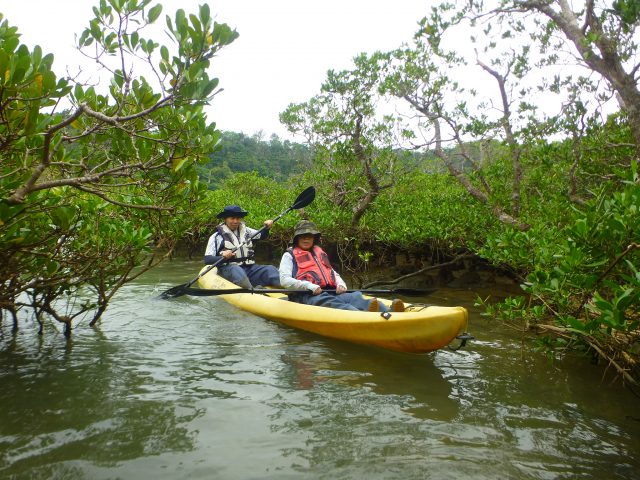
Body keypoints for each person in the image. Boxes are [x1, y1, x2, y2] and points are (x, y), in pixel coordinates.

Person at [279, 220, 404, 312]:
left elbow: (331, 272)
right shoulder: (289, 255)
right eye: (302, 236)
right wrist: (308, 286)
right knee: (331, 302)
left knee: (355, 296)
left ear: (314, 238)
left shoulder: (319, 252)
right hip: (306, 295)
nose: (306, 239)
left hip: (330, 291)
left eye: (309, 236)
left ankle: (388, 311)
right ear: (297, 238)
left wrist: (340, 283)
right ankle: (359, 315)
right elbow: (284, 280)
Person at [204, 205, 281, 289]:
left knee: (270, 269)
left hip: (249, 268)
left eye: (238, 218)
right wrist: (223, 257)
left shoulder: (246, 231)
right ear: (225, 219)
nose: (235, 221)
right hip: (229, 269)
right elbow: (207, 259)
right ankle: (251, 290)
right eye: (232, 218)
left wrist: (266, 228)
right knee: (237, 271)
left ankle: (286, 289)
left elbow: (262, 236)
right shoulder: (216, 237)